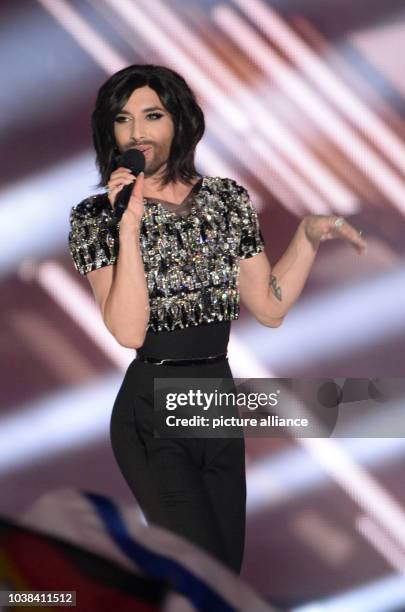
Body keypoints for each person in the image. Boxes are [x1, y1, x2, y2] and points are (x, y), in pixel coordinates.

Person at [68, 64, 367, 575]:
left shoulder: (226, 200)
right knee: (201, 573)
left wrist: (309, 236)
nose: (138, 132)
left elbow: (269, 307)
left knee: (224, 578)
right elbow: (128, 331)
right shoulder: (97, 217)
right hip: (153, 406)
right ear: (110, 131)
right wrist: (130, 225)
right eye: (123, 119)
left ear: (180, 122)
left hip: (214, 400)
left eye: (153, 115)